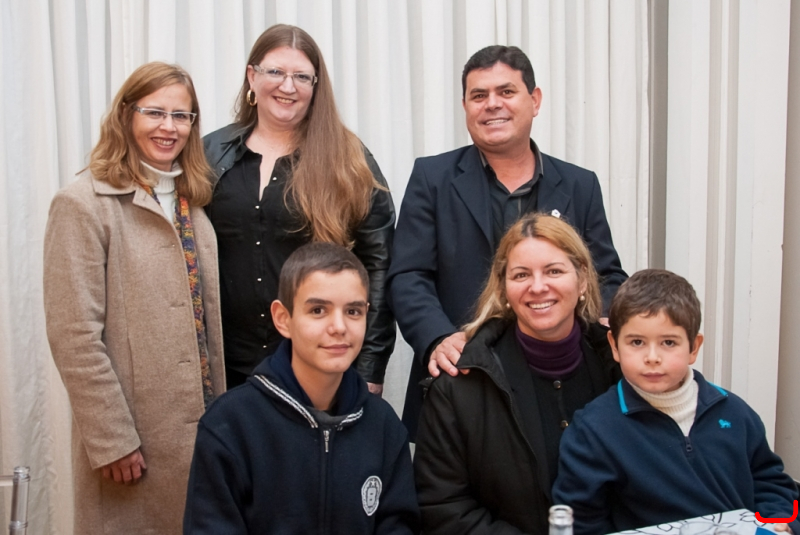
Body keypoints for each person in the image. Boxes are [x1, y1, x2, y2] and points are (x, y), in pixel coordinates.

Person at [387, 44, 627, 439]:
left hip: (562, 382)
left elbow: (607, 276)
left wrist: (603, 319)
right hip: (463, 378)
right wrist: (438, 338)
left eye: (506, 92)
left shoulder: (579, 184)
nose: (492, 104)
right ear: (465, 106)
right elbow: (408, 275)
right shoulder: (433, 178)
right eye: (479, 95)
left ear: (535, 100)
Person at [43, 62, 224, 534]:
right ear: (126, 115)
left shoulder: (192, 202)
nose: (169, 127)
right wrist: (111, 439)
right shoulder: (82, 204)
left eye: (181, 116)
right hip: (133, 443)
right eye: (155, 112)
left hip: (203, 431)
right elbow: (74, 334)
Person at [204, 24, 395, 394]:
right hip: (224, 369)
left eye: (302, 77)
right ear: (252, 76)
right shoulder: (210, 154)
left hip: (318, 368)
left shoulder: (348, 159)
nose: (288, 86)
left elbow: (380, 263)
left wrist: (371, 367)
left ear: (315, 86)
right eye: (276, 72)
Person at [183, 242, 420, 534]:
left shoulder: (384, 428)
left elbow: (399, 526)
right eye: (318, 310)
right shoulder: (229, 425)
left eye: (353, 311)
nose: (339, 326)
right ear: (283, 319)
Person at [413, 213, 622, 534]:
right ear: (503, 287)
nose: (538, 287)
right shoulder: (459, 384)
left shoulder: (620, 370)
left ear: (582, 279)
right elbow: (442, 507)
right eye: (521, 275)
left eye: (554, 271)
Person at [552, 269, 800, 535]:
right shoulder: (592, 430)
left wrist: (779, 523)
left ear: (693, 347)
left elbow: (772, 485)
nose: (652, 357)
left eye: (668, 342)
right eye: (637, 342)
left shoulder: (736, 413)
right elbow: (581, 521)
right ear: (614, 345)